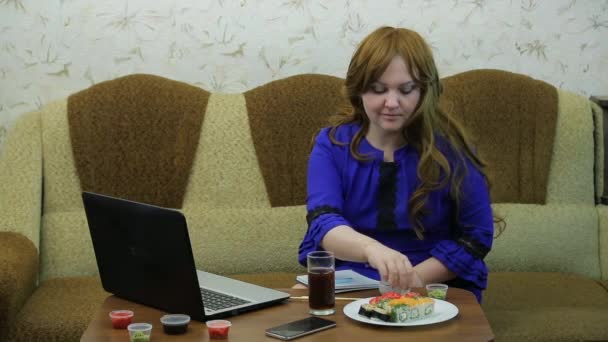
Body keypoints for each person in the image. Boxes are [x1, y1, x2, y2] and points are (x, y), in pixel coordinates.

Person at [298, 26, 503, 302]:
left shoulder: (453, 149)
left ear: (424, 91)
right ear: (358, 90)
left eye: (406, 90)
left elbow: (475, 237)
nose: (391, 103)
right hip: (353, 277)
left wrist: (410, 282)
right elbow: (323, 223)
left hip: (434, 280)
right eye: (378, 89)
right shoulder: (331, 144)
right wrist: (373, 250)